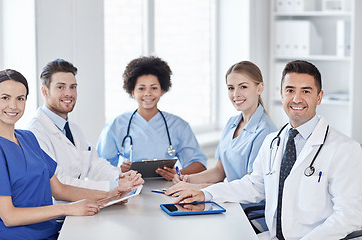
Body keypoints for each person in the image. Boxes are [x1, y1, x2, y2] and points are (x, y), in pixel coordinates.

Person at [175, 60, 362, 239]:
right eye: (290, 90)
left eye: (306, 91)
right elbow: (254, 185)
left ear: (319, 97)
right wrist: (207, 193)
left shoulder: (344, 149)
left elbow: (349, 216)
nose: (296, 98)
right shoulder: (273, 141)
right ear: (281, 94)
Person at [0, 70, 132, 240]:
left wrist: (110, 195)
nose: (13, 106)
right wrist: (68, 209)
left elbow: (60, 189)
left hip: (51, 233)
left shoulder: (28, 138)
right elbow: (9, 216)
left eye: (20, 98)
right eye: (5, 98)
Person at [27, 59, 143, 192]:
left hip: (81, 204)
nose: (69, 93)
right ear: (44, 91)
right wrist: (112, 187)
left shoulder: (74, 130)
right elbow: (59, 182)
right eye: (60, 87)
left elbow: (94, 165)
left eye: (73, 87)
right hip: (57, 208)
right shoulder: (35, 132)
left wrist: (120, 177)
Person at [166, 61, 276, 197]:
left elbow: (251, 187)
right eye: (231, 88)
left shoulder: (266, 132)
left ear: (259, 88)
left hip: (246, 207)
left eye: (243, 87)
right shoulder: (232, 123)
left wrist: (200, 188)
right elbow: (219, 170)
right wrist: (187, 179)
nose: (236, 94)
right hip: (226, 198)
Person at [97, 56, 207, 180]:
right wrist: (119, 171)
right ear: (132, 92)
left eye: (154, 88)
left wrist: (178, 174)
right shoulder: (116, 125)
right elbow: (100, 166)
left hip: (168, 189)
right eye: (141, 88)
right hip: (128, 189)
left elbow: (199, 164)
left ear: (162, 91)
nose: (148, 93)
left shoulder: (179, 125)